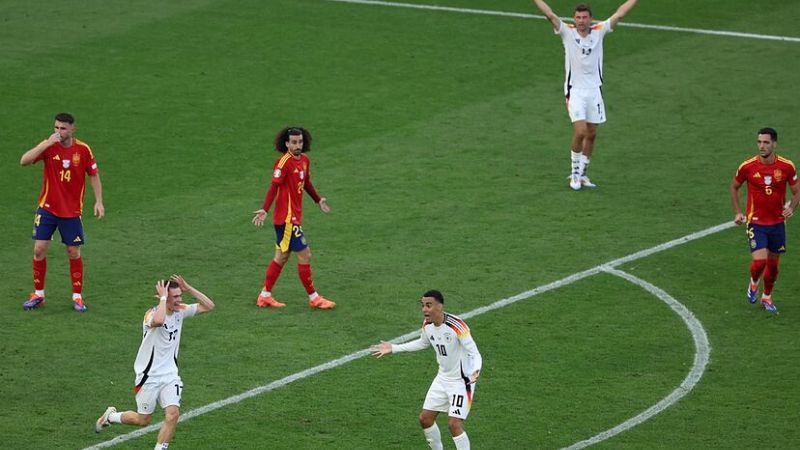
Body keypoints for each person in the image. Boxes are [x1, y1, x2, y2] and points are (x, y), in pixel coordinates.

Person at [95, 275, 215, 450]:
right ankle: (111, 417)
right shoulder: (151, 314)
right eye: (175, 297)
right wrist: (164, 299)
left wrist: (188, 288)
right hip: (148, 376)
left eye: (180, 296)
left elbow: (209, 305)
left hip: (170, 375)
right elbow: (159, 321)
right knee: (143, 420)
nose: (179, 300)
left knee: (172, 414)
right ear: (164, 298)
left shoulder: (180, 310)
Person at [531, 0, 639, 191]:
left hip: (595, 91)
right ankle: (573, 173)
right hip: (575, 91)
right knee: (580, 132)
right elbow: (549, 14)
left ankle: (583, 174)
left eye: (584, 17)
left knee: (592, 134)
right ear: (574, 18)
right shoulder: (567, 32)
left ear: (590, 19)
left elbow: (620, 13)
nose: (581, 21)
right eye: (578, 17)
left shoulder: (600, 30)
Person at [371, 290, 482, 450]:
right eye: (423, 305)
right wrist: (394, 348)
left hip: (461, 382)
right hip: (442, 379)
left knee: (453, 424)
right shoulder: (427, 325)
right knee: (425, 419)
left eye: (428, 305)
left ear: (440, 306)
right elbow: (423, 342)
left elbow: (474, 352)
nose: (424, 309)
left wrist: (476, 369)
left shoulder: (457, 326)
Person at [20, 112, 104, 312]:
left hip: (71, 211)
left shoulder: (83, 150)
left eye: (63, 128)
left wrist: (99, 201)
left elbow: (93, 174)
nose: (59, 132)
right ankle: (38, 294)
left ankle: (77, 297)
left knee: (73, 252)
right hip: (47, 208)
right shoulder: (48, 147)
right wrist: (45, 144)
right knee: (39, 249)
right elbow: (23, 161)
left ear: (72, 129)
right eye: (56, 127)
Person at [251, 126, 336, 310]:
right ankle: (314, 298)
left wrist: (318, 199)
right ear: (287, 143)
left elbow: (306, 183)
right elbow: (274, 186)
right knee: (305, 254)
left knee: (281, 257)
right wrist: (265, 209)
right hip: (287, 220)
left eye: (300, 142)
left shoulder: (304, 160)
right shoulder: (283, 163)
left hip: (293, 218)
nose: (298, 145)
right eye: (294, 142)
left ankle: (265, 295)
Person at [730, 128, 799, 314]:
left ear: (774, 144)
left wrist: (791, 207)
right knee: (760, 263)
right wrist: (738, 212)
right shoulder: (748, 166)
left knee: (774, 266)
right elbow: (734, 187)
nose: (762, 146)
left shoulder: (786, 166)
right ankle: (753, 283)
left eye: (766, 142)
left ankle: (767, 296)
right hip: (756, 223)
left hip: (777, 224)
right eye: (759, 142)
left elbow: (797, 191)